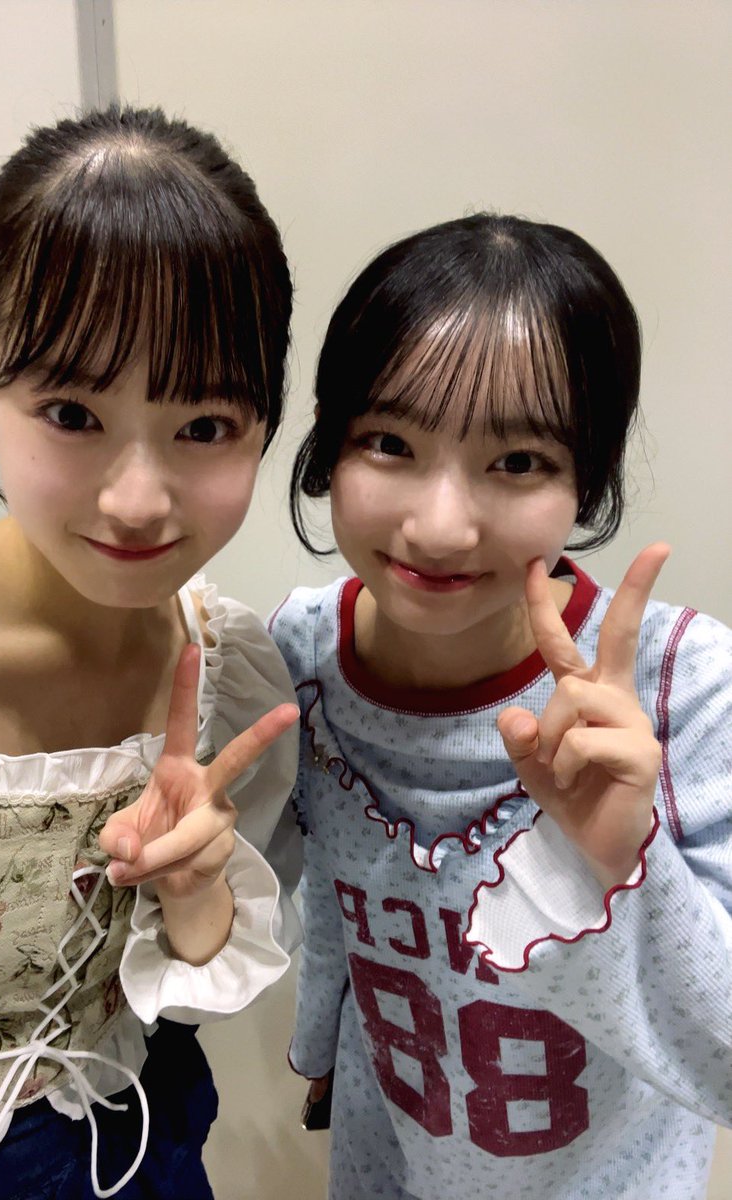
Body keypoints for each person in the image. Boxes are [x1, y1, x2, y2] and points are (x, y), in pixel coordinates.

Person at [0, 105, 303, 1200]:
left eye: (204, 427)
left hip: (128, 1150)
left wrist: (194, 888)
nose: (137, 501)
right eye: (71, 412)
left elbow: (189, 980)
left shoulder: (226, 671)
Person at [270, 214, 732, 1200]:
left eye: (517, 461)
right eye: (388, 442)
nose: (440, 527)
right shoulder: (302, 657)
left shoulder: (682, 689)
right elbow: (333, 898)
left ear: (587, 479)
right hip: (385, 1167)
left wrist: (625, 861)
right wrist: (318, 1049)